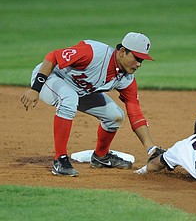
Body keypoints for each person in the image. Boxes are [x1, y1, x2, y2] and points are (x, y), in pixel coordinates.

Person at [21, 32, 162, 177]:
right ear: (122, 52)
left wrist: (151, 148)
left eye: (142, 60)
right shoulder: (94, 53)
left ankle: (101, 157)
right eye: (137, 58)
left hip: (79, 90)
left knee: (115, 116)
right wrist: (35, 89)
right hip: (50, 77)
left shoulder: (127, 79)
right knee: (69, 98)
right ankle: (60, 160)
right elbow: (53, 56)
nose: (139, 64)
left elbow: (135, 113)